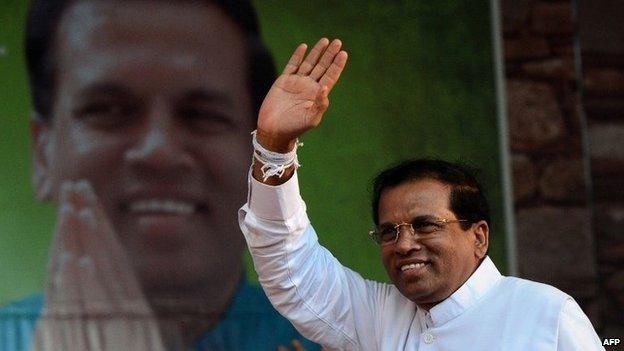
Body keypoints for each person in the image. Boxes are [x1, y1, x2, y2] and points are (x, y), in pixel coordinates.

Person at [238, 39, 605, 350]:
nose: (404, 244)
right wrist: (274, 147)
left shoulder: (547, 315)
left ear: (478, 236)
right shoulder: (379, 316)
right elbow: (291, 268)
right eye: (388, 231)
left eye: (425, 225)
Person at [0, 0, 318, 350]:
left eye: (203, 115)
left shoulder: (340, 339)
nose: (160, 151)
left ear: (256, 154)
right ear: (44, 152)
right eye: (107, 110)